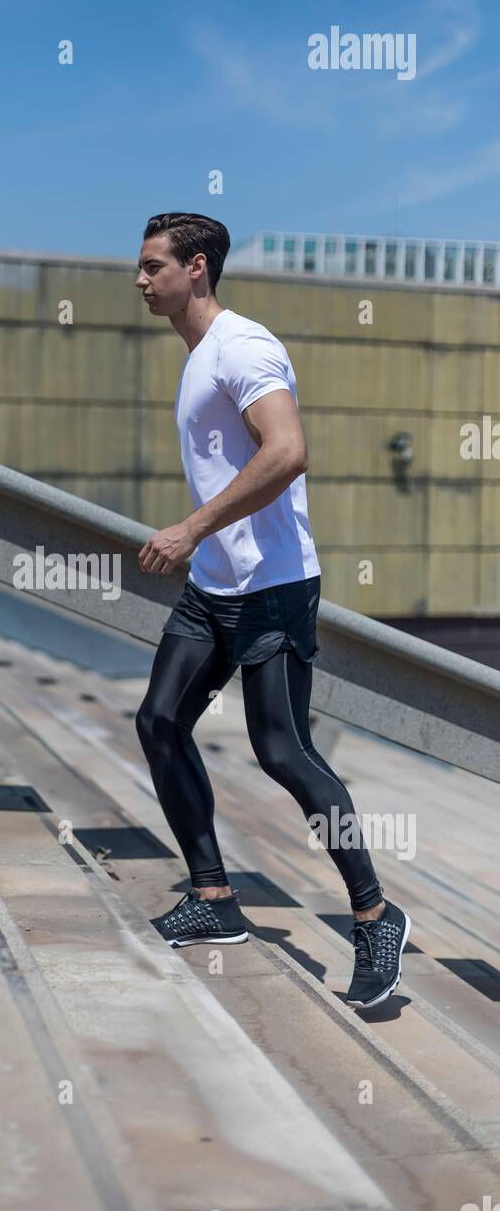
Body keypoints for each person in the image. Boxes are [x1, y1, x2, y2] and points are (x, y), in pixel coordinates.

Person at [133, 211, 410, 1010]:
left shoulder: (243, 346)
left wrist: (189, 528)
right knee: (159, 722)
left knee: (283, 752)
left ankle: (374, 913)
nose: (141, 280)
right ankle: (215, 902)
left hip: (273, 591)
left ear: (198, 268)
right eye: (141, 266)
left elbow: (287, 451)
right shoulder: (194, 358)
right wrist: (202, 547)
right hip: (214, 589)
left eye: (154, 266)